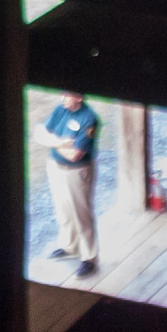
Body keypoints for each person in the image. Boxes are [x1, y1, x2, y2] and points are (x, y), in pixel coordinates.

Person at [41, 91, 103, 276]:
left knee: (81, 213)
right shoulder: (61, 110)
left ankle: (88, 257)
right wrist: (61, 144)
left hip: (77, 172)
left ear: (79, 97)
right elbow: (42, 133)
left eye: (67, 95)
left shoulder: (89, 119)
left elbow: (76, 155)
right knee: (63, 210)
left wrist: (52, 143)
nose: (62, 98)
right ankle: (69, 246)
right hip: (56, 168)